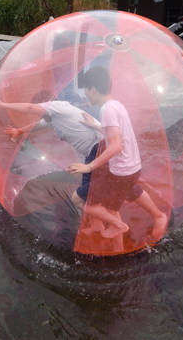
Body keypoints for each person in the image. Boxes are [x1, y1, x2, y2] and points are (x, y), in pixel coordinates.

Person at [68, 66, 167, 239]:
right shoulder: (116, 105)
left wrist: (89, 166)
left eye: (86, 90)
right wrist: (97, 126)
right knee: (128, 191)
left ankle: (118, 226)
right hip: (132, 167)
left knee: (83, 199)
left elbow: (115, 146)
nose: (85, 95)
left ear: (93, 89)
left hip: (121, 171)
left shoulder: (107, 110)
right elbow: (118, 134)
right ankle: (158, 216)